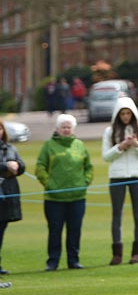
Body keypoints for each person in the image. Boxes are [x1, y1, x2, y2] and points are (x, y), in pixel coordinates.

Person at [35, 113, 93, 271]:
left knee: (75, 230)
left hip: (77, 196)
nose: (66, 130)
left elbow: (88, 167)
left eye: (69, 127)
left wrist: (85, 182)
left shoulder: (80, 145)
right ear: (57, 129)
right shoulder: (48, 145)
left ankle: (73, 260)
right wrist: (49, 184)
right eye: (63, 127)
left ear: (73, 129)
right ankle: (52, 261)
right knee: (55, 230)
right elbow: (40, 167)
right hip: (54, 198)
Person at [101, 96, 138, 265]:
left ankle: (137, 253)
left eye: (128, 113)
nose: (125, 117)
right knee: (117, 214)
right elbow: (106, 156)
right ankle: (117, 253)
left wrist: (137, 144)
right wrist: (120, 147)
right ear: (117, 114)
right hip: (117, 176)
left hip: (137, 175)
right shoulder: (110, 131)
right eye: (122, 113)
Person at [0, 121, 26, 276]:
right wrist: (5, 166)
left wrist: (17, 165)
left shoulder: (10, 148)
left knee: (1, 231)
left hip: (7, 196)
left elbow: (22, 165)